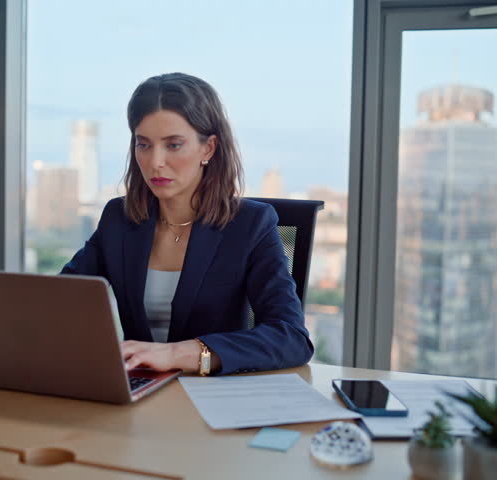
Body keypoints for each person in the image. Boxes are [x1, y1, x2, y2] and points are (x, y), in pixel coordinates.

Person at [62, 72, 313, 375]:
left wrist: (178, 354)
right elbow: (61, 301)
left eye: (174, 145)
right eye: (144, 145)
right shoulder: (120, 219)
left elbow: (291, 338)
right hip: (137, 393)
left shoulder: (251, 225)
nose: (155, 161)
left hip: (214, 399)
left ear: (208, 148)